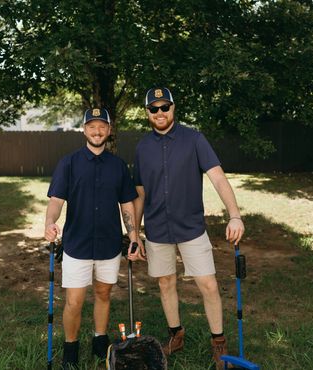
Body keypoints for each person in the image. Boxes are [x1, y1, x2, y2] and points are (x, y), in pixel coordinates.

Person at [133, 87, 245, 370]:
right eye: (154, 109)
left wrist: (235, 215)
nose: (160, 113)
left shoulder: (195, 139)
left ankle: (218, 344)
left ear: (173, 108)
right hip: (157, 229)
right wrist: (134, 233)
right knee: (165, 283)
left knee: (207, 284)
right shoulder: (142, 147)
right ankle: (176, 335)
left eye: (165, 107)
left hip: (192, 227)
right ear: (147, 113)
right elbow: (140, 193)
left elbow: (218, 178)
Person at [44, 107, 138, 369]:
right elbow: (56, 201)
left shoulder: (118, 166)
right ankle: (71, 348)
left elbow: (127, 206)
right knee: (74, 300)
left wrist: (133, 236)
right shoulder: (69, 163)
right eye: (92, 126)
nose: (97, 131)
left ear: (109, 130)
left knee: (103, 293)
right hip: (77, 244)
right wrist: (50, 222)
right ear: (84, 130)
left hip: (109, 244)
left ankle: (100, 341)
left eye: (102, 126)